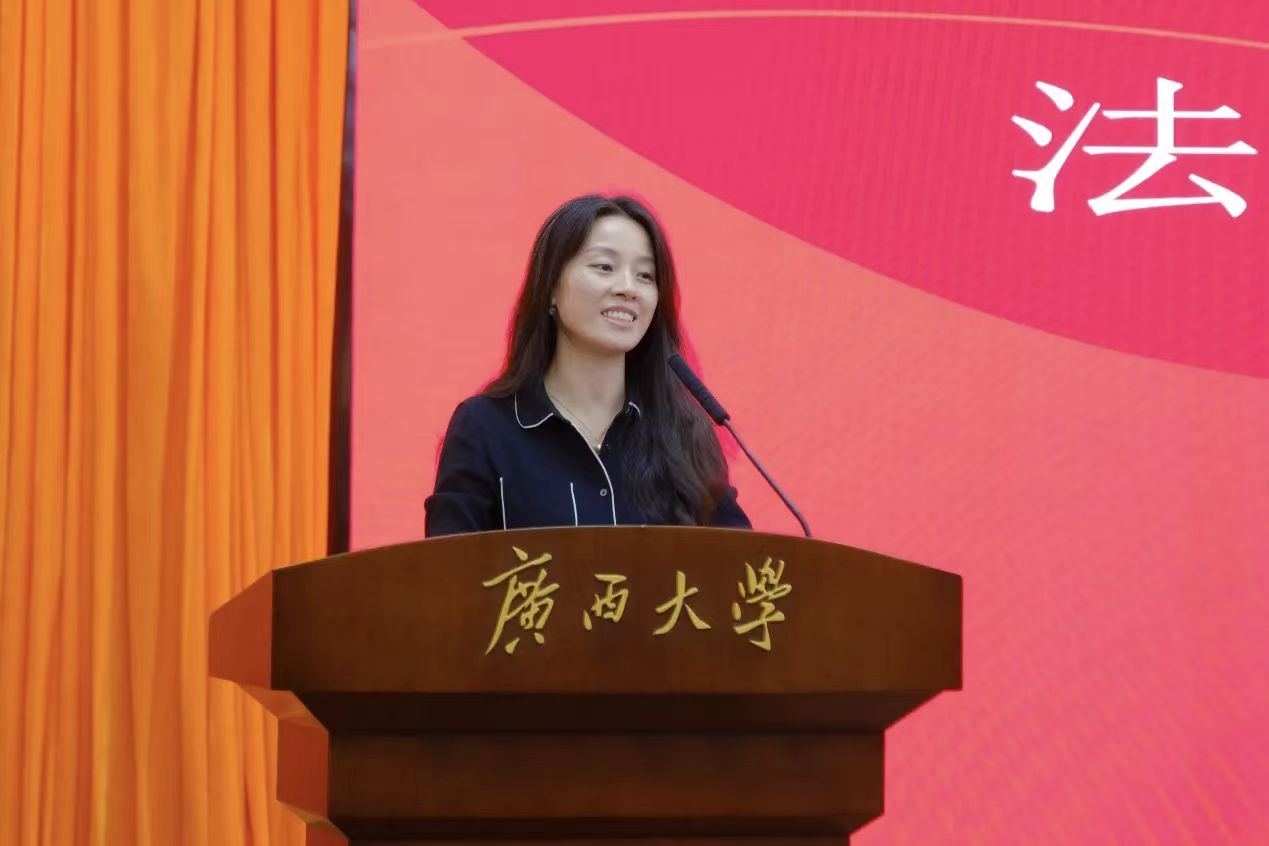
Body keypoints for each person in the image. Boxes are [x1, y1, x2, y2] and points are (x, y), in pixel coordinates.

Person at [424, 194, 751, 537]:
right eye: (604, 267)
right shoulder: (484, 427)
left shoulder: (685, 433)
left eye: (645, 275)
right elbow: (448, 566)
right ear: (550, 287)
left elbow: (740, 562)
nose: (629, 289)